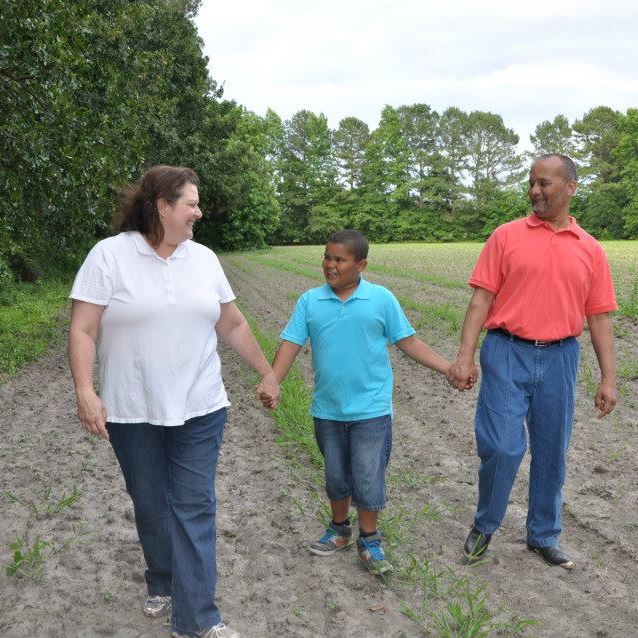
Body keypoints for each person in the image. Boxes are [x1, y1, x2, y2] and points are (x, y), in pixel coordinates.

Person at [68, 165, 279, 638]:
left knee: (195, 505)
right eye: (191, 203)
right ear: (163, 207)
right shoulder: (109, 256)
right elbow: (83, 328)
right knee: (150, 504)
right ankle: (161, 579)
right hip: (132, 410)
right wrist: (86, 390)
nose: (198, 212)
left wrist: (266, 370)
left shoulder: (203, 259)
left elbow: (233, 324)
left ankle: (198, 619)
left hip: (201, 406)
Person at [448, 154, 618, 569]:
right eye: (531, 183)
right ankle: (485, 525)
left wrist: (608, 378)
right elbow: (481, 299)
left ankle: (543, 535)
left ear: (570, 188)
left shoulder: (591, 249)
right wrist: (464, 356)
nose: (535, 191)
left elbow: (598, 317)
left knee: (551, 452)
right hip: (507, 351)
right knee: (502, 447)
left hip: (561, 357)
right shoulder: (506, 236)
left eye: (544, 183)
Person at [261, 229, 456, 575]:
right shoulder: (310, 301)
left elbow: (408, 342)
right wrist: (273, 379)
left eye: (340, 259)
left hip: (371, 409)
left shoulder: (381, 299)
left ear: (361, 264)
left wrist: (447, 367)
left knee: (368, 475)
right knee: (336, 476)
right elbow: (290, 343)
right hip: (328, 409)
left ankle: (370, 539)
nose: (330, 265)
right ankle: (338, 529)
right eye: (327, 257)